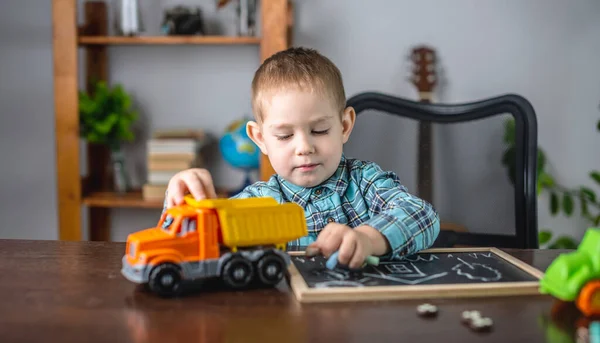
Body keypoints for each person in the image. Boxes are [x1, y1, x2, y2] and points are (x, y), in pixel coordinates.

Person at [163, 47, 440, 268]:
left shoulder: (365, 182)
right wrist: (178, 202)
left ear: (344, 126)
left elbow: (423, 216)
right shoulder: (257, 201)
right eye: (284, 136)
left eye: (319, 130)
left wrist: (367, 239)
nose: (304, 147)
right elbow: (180, 245)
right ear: (260, 139)